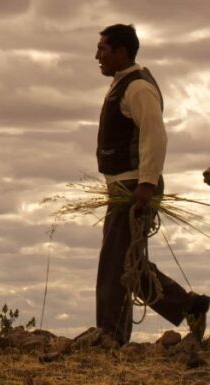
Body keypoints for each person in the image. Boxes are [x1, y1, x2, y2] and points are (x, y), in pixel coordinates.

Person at [93, 23, 208, 344]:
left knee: (114, 264)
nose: (97, 55)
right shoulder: (122, 84)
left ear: (121, 52)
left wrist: (146, 184)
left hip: (134, 188)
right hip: (123, 187)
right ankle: (190, 306)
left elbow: (155, 136)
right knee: (131, 263)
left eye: (103, 49)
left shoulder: (138, 87)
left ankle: (110, 336)